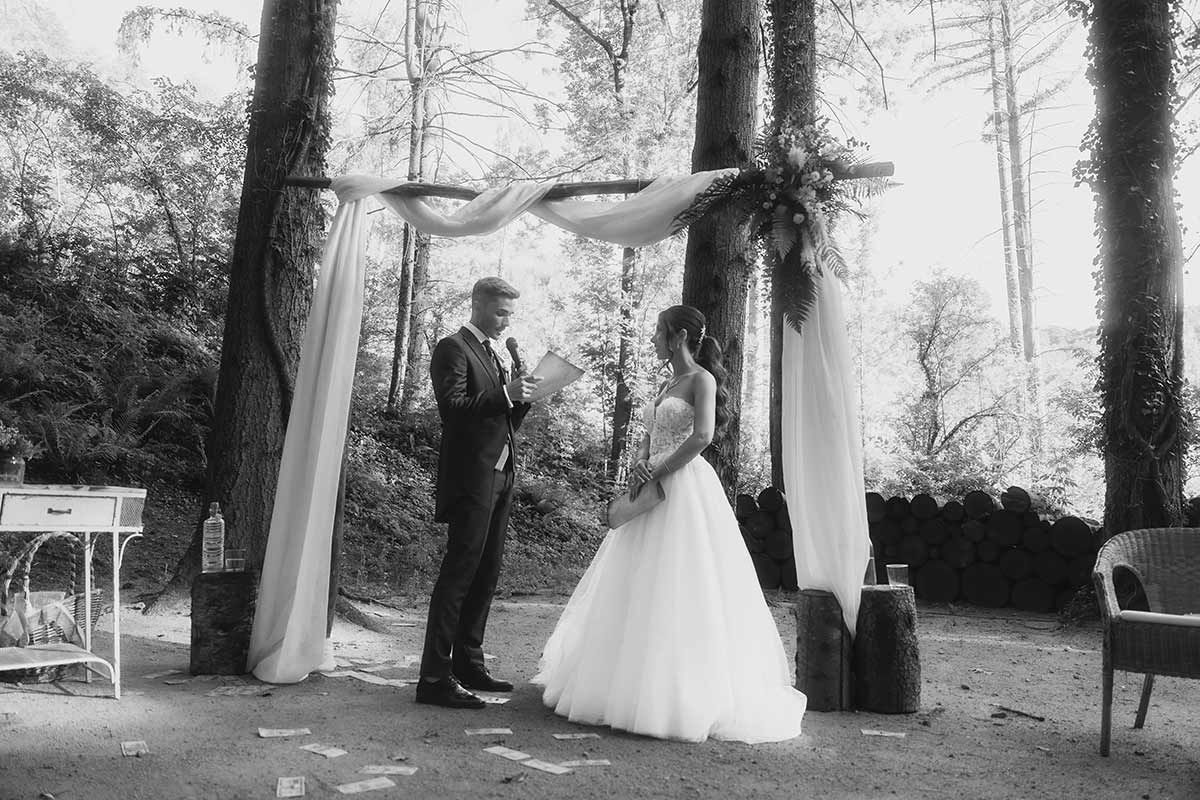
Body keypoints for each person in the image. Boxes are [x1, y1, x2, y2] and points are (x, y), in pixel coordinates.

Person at [533, 305, 807, 742]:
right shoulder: (666, 384)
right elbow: (649, 434)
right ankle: (622, 684)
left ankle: (675, 694)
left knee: (681, 580)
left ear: (678, 336)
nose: (653, 339)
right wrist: (640, 462)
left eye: (658, 332)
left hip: (685, 487)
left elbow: (702, 436)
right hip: (650, 484)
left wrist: (660, 469)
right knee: (635, 581)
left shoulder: (702, 380)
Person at [417, 277, 542, 709]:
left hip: (502, 474)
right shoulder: (452, 348)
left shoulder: (493, 353)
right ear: (477, 305)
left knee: (486, 573)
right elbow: (453, 410)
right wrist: (505, 393)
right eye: (500, 312)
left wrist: (521, 398)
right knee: (459, 574)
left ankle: (468, 664)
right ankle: (434, 678)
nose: (507, 321)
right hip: (471, 477)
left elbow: (500, 420)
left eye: (510, 313)